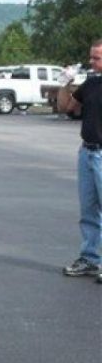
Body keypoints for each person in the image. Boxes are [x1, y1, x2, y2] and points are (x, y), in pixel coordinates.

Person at [63, 38, 102, 282]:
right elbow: (68, 108)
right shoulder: (91, 83)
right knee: (88, 210)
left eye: (96, 58)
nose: (91, 61)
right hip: (87, 152)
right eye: (91, 57)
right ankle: (89, 259)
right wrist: (66, 83)